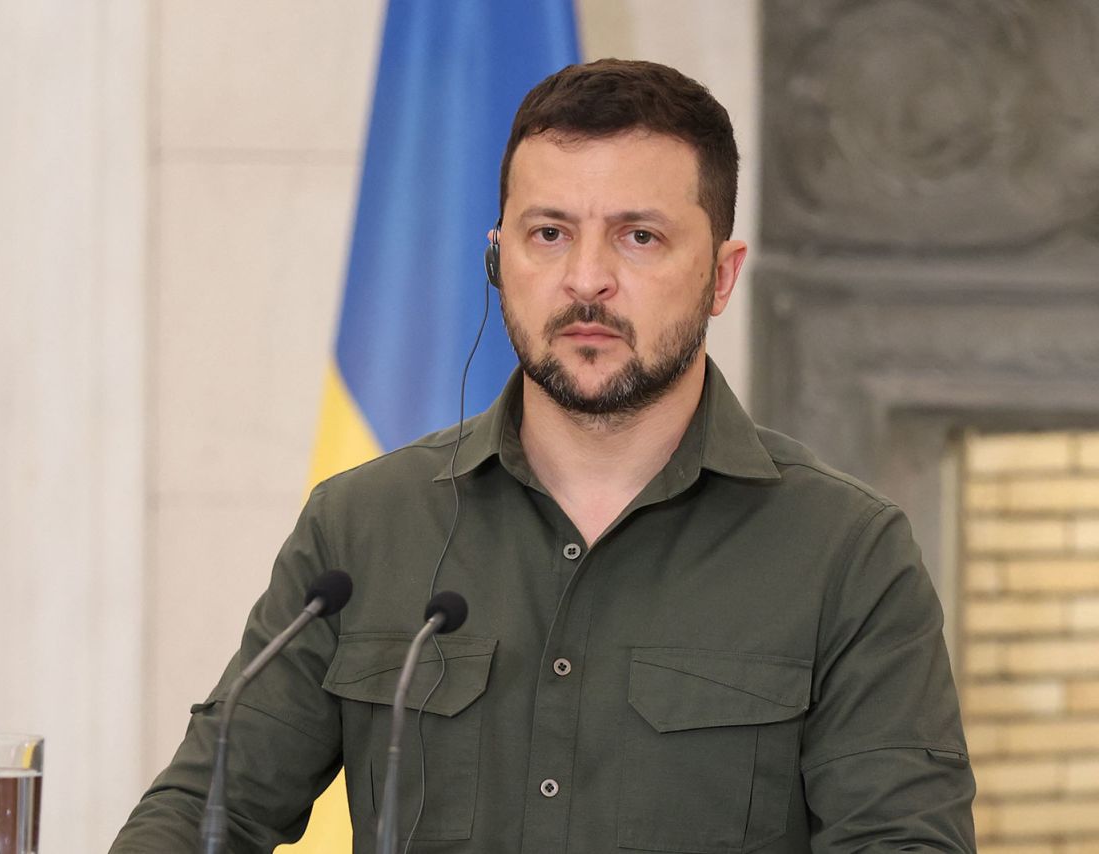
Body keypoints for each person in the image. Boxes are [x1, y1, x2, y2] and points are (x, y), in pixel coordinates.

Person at [111, 59, 976, 853]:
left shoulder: (848, 553)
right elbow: (201, 813)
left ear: (720, 273)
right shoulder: (362, 526)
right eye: (550, 233)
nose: (586, 279)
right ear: (498, 259)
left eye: (639, 236)